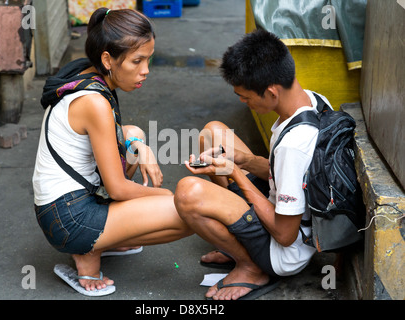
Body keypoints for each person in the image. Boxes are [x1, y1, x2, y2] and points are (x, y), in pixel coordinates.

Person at [32, 8, 192, 296]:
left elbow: (118, 141)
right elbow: (118, 189)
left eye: (148, 59)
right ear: (108, 59)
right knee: (186, 212)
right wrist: (168, 197)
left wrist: (138, 146)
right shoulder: (94, 102)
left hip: (63, 206)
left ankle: (107, 237)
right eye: (137, 61)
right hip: (68, 218)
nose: (146, 70)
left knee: (133, 135)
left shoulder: (87, 73)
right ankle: (87, 252)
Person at [174, 29, 330, 300]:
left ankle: (251, 267)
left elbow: (284, 234)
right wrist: (242, 160)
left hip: (285, 251)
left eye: (246, 97)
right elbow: (282, 173)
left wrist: (237, 174)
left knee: (188, 193)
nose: (243, 103)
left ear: (271, 92)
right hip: (286, 202)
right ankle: (236, 245)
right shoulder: (313, 101)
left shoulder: (294, 146)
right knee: (213, 132)